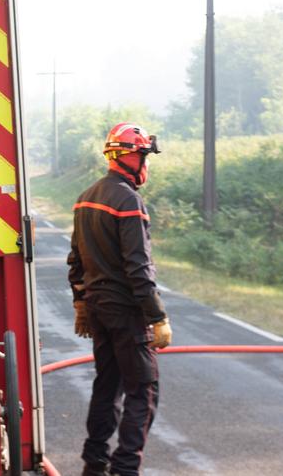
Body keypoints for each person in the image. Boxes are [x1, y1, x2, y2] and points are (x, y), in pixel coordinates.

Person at [67, 122, 173, 476]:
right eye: (144, 155)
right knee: (143, 391)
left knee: (107, 385)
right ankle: (125, 469)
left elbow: (76, 260)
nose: (146, 164)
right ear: (130, 156)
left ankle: (94, 463)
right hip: (127, 313)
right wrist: (157, 317)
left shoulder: (85, 197)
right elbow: (138, 268)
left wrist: (81, 301)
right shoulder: (129, 200)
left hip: (98, 309)